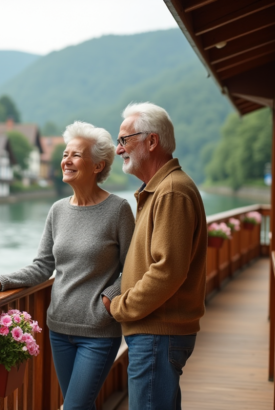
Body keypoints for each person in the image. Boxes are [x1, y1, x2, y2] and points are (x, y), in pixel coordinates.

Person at [0, 121, 135, 410]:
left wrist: (108, 299)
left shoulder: (118, 210)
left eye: (76, 155)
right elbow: (42, 266)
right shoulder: (58, 210)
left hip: (99, 331)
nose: (66, 160)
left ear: (97, 166)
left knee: (75, 407)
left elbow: (133, 267)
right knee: (79, 405)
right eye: (65, 154)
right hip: (59, 329)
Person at [101, 102, 207, 410]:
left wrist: (121, 306)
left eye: (124, 140)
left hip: (157, 334)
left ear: (151, 141)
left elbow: (168, 270)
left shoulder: (171, 191)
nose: (119, 149)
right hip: (156, 333)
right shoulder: (160, 189)